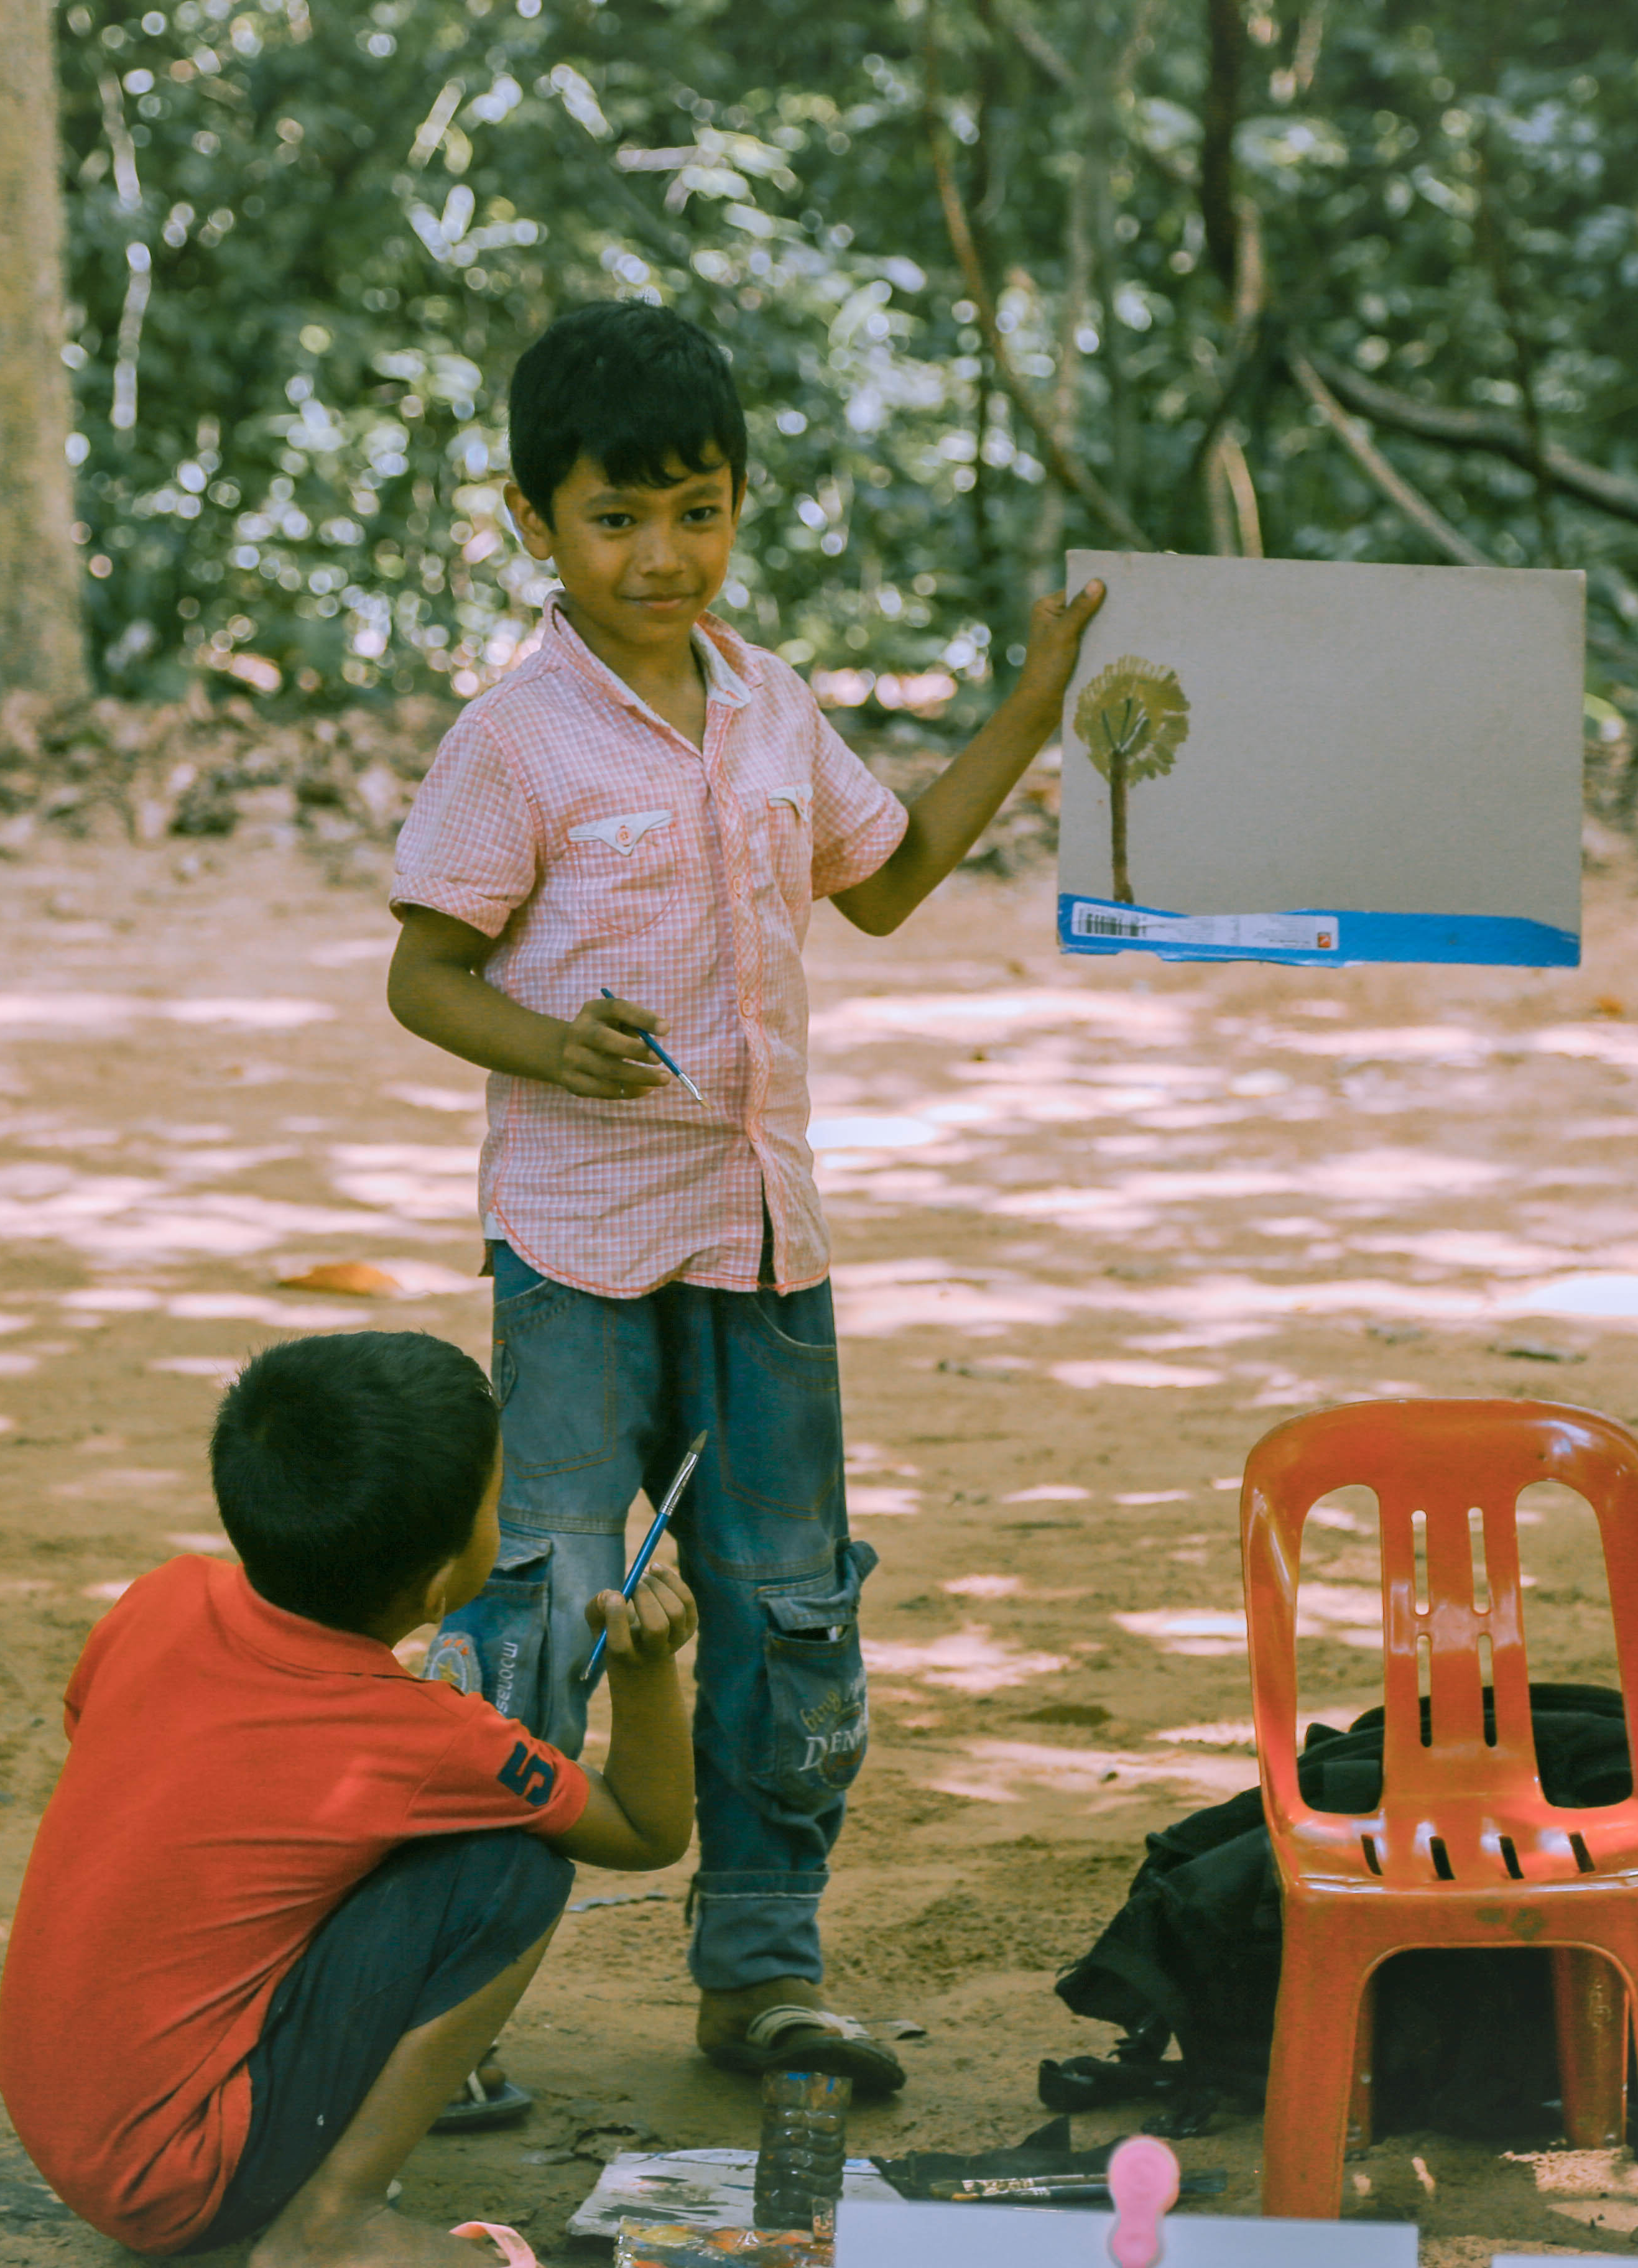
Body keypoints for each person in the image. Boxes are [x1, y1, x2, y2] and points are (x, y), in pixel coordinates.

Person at [386, 297, 1105, 2104]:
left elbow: (890, 880)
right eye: (616, 518)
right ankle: (446, 2015)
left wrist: (1035, 708)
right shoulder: (515, 741)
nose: (661, 554)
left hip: (765, 1245)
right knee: (546, 1604)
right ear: (535, 520)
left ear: (738, 506)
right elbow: (425, 976)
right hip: (577, 1253)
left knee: (788, 1608)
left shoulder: (773, 705)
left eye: (696, 512)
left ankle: (762, 1974)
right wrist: (553, 1048)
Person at [0, 1330, 696, 2265]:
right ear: (442, 1584)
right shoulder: (429, 1737)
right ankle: (335, 2222)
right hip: (183, 2178)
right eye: (495, 1505)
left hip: (62, 2112)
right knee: (510, 1868)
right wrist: (646, 1672)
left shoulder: (161, 1598)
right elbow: (647, 1831)